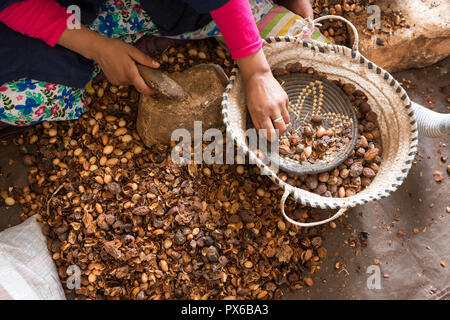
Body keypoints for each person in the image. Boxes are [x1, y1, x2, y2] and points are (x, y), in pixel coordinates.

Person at [0, 0, 314, 140]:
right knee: (13, 97)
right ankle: (121, 45)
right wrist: (96, 47)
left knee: (260, 17)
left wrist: (257, 71)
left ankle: (152, 34)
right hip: (71, 11)